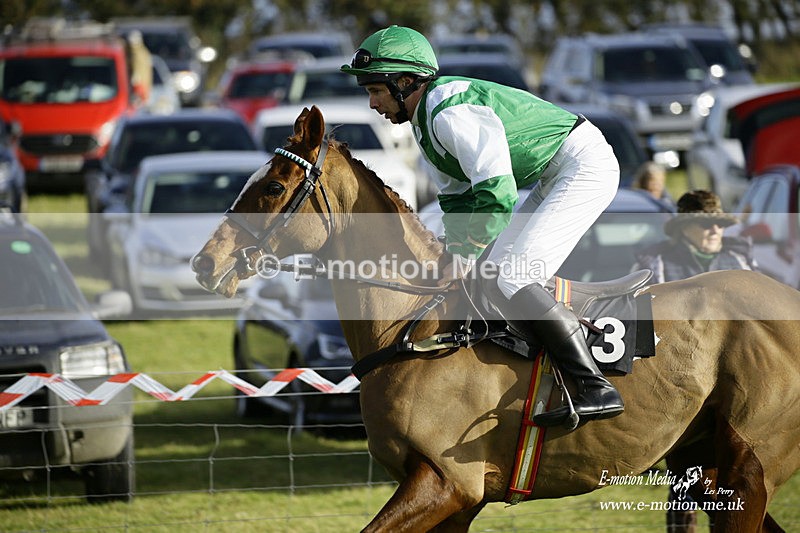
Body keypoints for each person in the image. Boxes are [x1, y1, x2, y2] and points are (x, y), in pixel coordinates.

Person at [341, 25, 623, 427]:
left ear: (405, 82)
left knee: (513, 277)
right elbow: (459, 201)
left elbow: (497, 191)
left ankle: (596, 387)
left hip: (584, 165)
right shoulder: (424, 123)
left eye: (375, 91)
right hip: (553, 173)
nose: (372, 104)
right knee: (494, 274)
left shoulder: (448, 111)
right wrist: (456, 254)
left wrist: (465, 255)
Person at [632, 190, 756, 283]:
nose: (715, 230)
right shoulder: (653, 266)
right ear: (685, 228)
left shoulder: (742, 261)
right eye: (706, 223)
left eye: (720, 223)